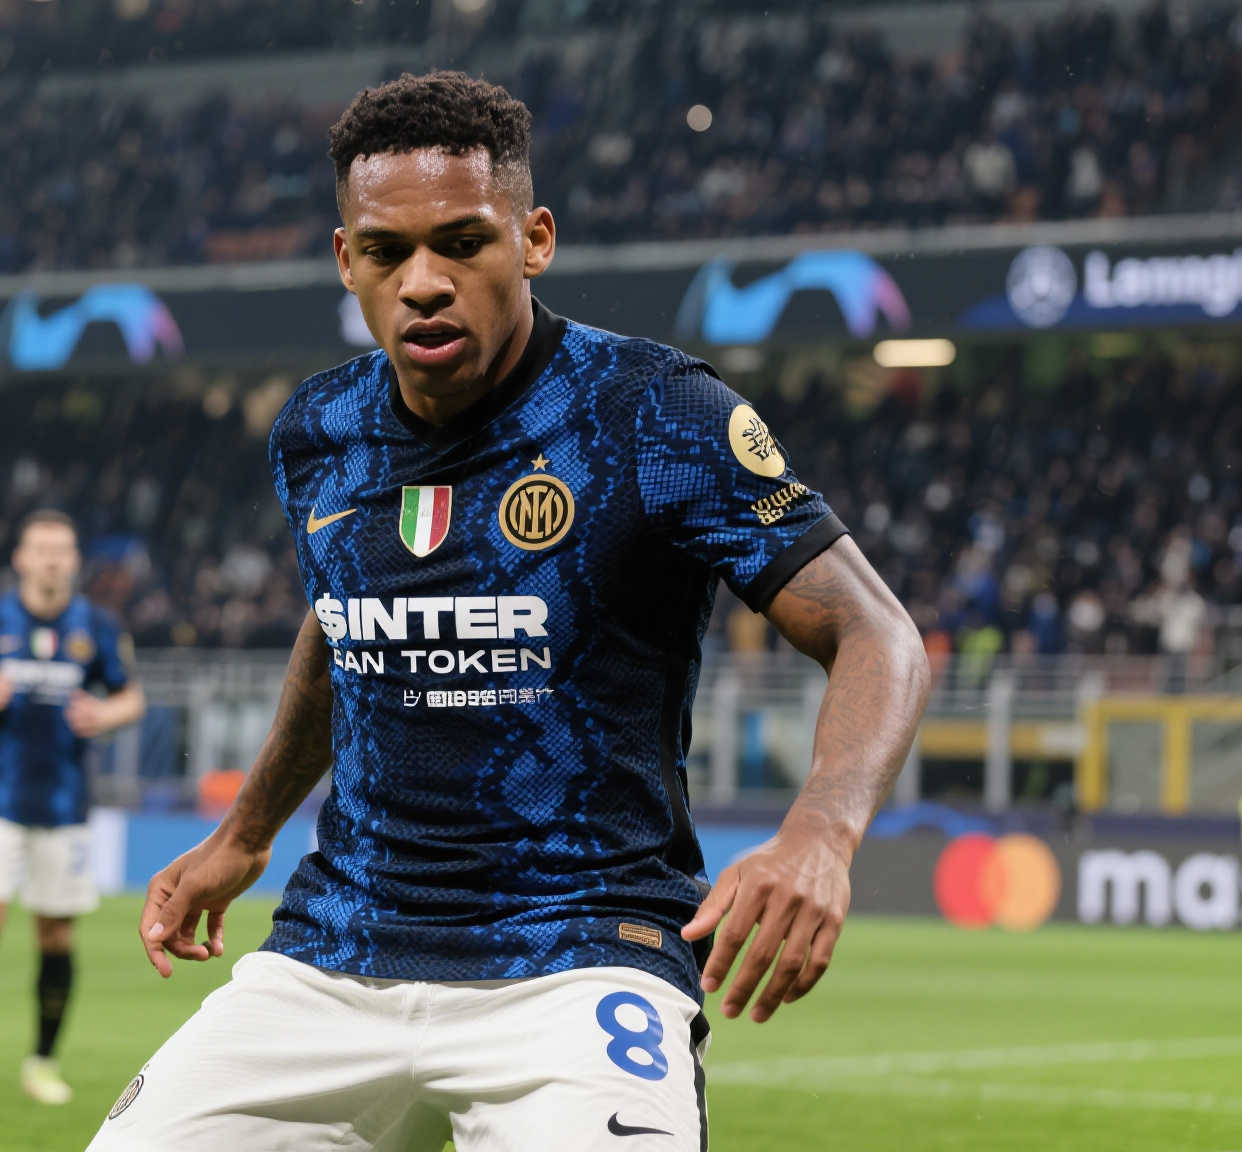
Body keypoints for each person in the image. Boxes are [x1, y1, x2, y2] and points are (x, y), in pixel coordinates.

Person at [90, 71, 930, 1150]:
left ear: (533, 241)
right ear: (346, 260)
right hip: (335, 953)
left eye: (462, 244)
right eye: (386, 253)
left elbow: (875, 632)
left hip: (578, 958)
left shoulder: (654, 414)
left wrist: (819, 835)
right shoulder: (319, 430)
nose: (423, 283)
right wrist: (245, 835)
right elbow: (342, 623)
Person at [0, 510, 145, 1105]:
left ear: (74, 560)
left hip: (65, 802)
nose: (51, 560)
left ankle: (43, 1061)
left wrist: (105, 713)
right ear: (21, 558)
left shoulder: (96, 625)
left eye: (61, 550)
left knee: (56, 938)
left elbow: (131, 698)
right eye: (41, 549)